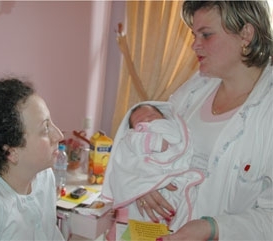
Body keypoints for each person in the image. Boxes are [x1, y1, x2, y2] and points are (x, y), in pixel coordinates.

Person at [133, 1, 273, 241]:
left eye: (206, 35)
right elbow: (150, 138)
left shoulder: (267, 113)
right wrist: (140, 178)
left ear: (245, 34)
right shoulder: (193, 92)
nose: (194, 45)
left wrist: (214, 228)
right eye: (194, 35)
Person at [0, 78, 65, 240]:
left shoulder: (45, 177)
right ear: (11, 151)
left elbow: (50, 233)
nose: (59, 135)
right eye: (45, 128)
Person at [102, 101, 204, 232]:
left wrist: (157, 127)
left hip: (174, 178)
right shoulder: (132, 137)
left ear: (164, 117)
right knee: (142, 220)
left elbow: (174, 138)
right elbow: (124, 165)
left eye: (152, 116)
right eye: (140, 121)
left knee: (179, 212)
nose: (148, 121)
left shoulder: (171, 127)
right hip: (146, 182)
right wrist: (154, 141)